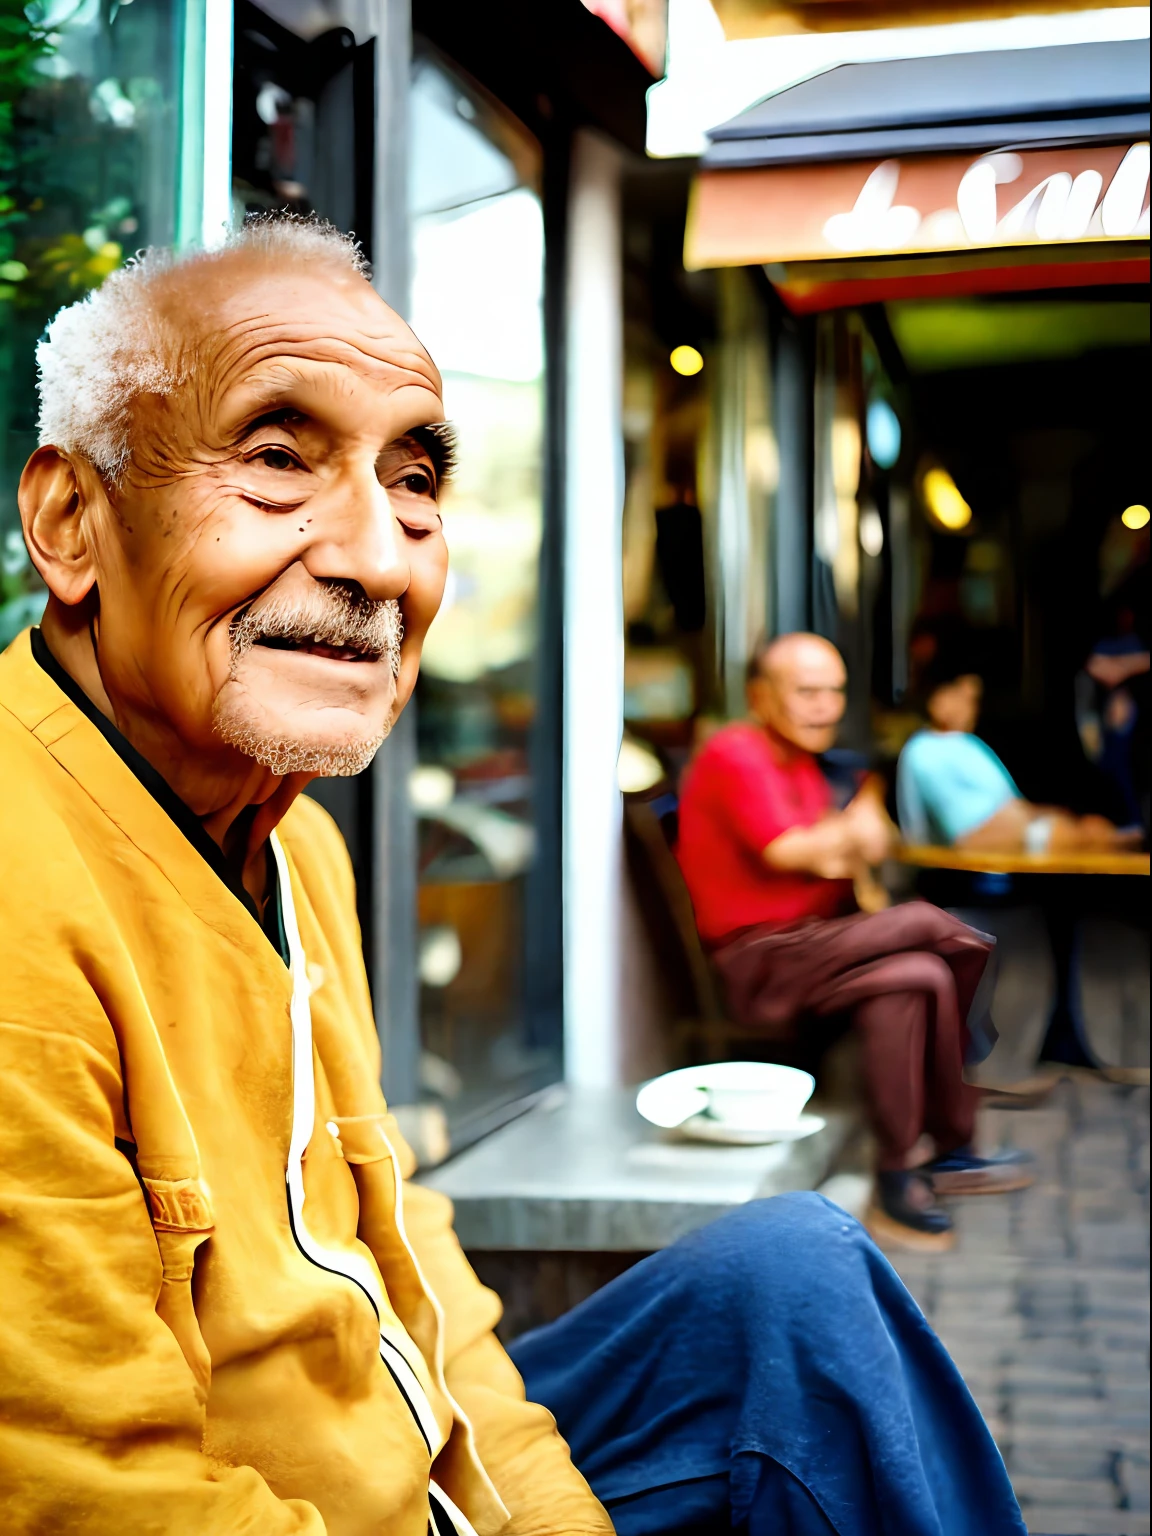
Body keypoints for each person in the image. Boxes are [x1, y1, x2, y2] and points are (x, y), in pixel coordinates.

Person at [0, 220, 1026, 1535]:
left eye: (414, 479)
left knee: (797, 1272)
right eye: (274, 457)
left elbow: (402, 1252)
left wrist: (546, 1514)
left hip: (404, 1441)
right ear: (71, 521)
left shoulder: (293, 841)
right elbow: (99, 1497)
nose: (379, 558)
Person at [676, 633, 1034, 1253]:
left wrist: (845, 837)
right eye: (806, 691)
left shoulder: (801, 761)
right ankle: (971, 1042)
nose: (825, 706)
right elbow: (791, 850)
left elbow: (847, 856)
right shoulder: (738, 752)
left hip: (811, 948)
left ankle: (916, 1168)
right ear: (760, 697)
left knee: (918, 975)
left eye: (835, 692)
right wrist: (850, 832)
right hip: (759, 965)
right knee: (928, 926)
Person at [898, 663, 1140, 854]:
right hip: (972, 896)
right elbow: (968, 837)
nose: (973, 708)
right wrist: (1053, 834)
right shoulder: (926, 751)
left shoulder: (965, 743)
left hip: (1015, 875)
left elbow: (1010, 808)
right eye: (967, 697)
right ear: (938, 700)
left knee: (1093, 829)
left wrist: (1069, 825)